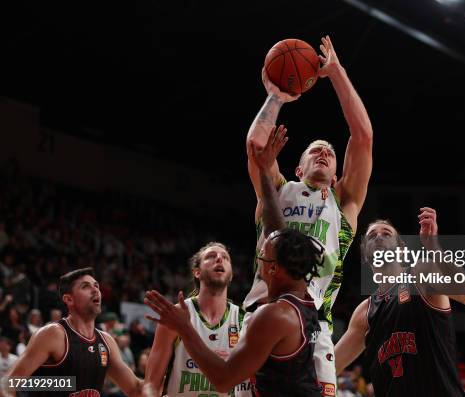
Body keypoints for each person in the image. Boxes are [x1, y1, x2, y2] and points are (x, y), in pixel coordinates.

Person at [144, 136, 324, 396]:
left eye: (261, 256)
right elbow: (275, 232)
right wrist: (264, 171)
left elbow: (224, 380)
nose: (258, 259)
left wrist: (184, 327)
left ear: (273, 268)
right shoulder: (303, 297)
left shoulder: (273, 315)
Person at [244, 35, 373, 395]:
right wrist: (277, 97)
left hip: (315, 322)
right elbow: (256, 147)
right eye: (314, 150)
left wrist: (336, 73)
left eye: (329, 153)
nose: (323, 152)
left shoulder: (344, 203)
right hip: (261, 312)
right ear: (297, 170)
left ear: (336, 176)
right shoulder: (277, 189)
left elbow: (362, 137)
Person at [334, 210, 465, 396]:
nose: (378, 237)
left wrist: (434, 247)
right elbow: (331, 365)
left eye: (386, 234)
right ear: (364, 254)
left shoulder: (420, 274)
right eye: (372, 235)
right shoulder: (364, 312)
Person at [5, 267, 144, 397]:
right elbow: (8, 384)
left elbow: (135, 388)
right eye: (85, 286)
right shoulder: (53, 334)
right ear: (69, 299)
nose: (95, 290)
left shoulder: (106, 342)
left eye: (96, 286)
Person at [144, 242, 250, 397]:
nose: (219, 259)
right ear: (197, 272)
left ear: (231, 275)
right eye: (211, 256)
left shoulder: (244, 320)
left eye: (225, 258)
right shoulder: (177, 315)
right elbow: (151, 385)